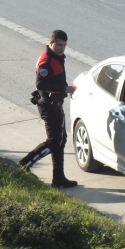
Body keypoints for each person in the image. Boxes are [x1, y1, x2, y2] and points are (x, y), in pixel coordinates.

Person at [19, 30, 78, 188]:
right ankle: (23, 166)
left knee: (61, 139)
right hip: (48, 105)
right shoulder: (47, 61)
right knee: (54, 141)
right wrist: (64, 89)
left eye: (64, 45)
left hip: (56, 104)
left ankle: (58, 178)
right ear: (51, 43)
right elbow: (41, 84)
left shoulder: (56, 57)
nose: (62, 48)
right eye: (59, 45)